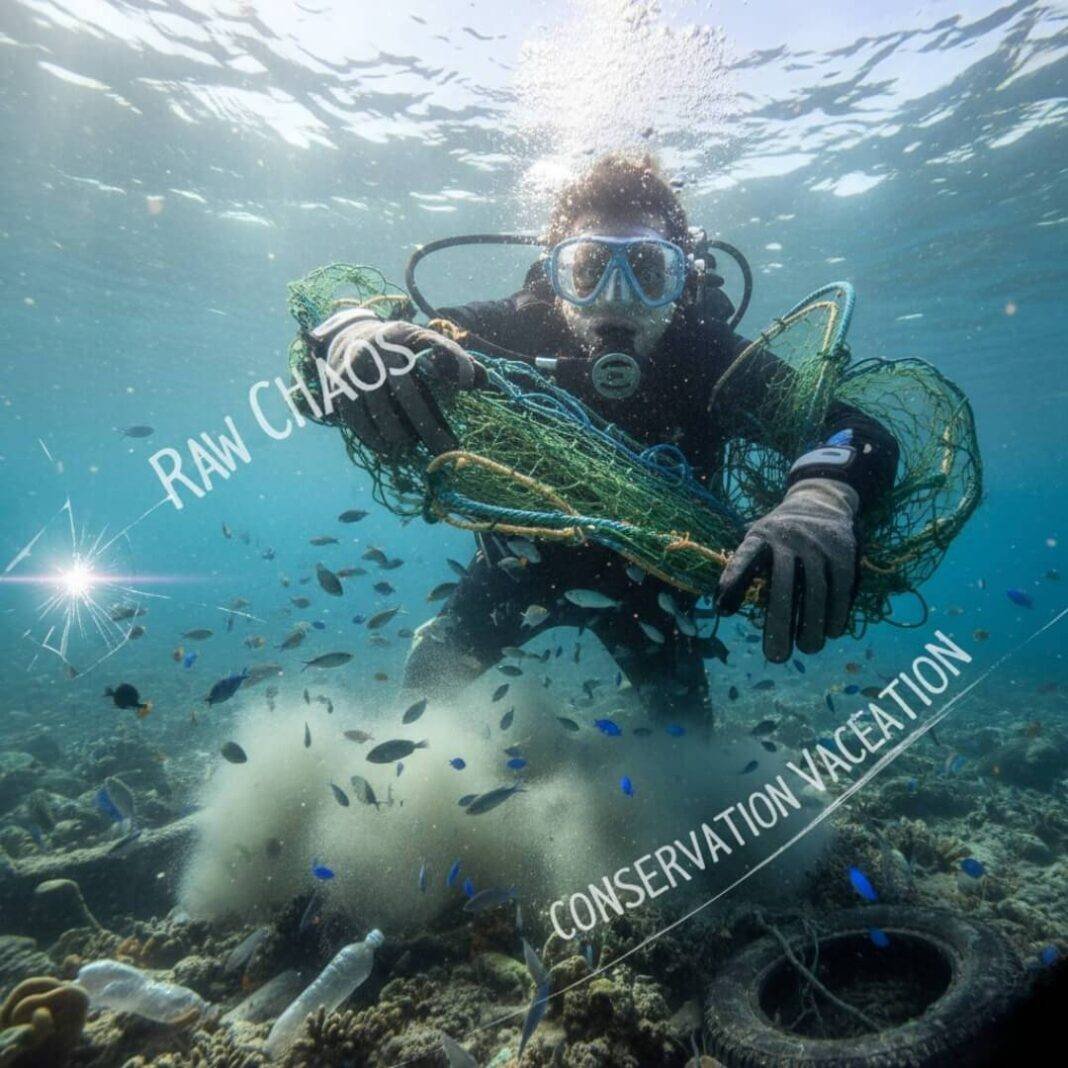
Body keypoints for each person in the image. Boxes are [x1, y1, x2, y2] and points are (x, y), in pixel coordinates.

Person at [301, 153, 899, 725]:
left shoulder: (709, 355)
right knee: (417, 711)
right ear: (556, 275)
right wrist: (354, 335)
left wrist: (822, 496)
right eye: (589, 270)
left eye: (644, 271)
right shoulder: (509, 326)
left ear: (682, 278)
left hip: (654, 597)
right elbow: (373, 333)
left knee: (686, 745)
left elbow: (856, 430)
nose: (615, 297)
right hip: (514, 571)